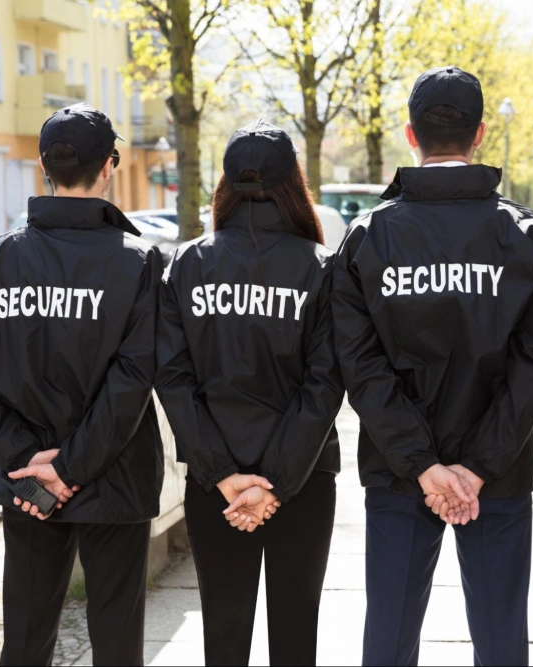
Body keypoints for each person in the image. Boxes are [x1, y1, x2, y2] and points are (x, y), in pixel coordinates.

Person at [333, 66, 533, 666]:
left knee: (389, 634)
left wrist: (425, 466)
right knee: (502, 636)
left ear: (411, 135)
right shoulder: (527, 235)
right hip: (499, 472)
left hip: (398, 470)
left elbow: (361, 368)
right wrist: (477, 467)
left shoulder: (366, 237)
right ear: (480, 133)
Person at [0, 104, 164, 666]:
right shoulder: (138, 263)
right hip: (112, 477)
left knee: (25, 633)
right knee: (117, 641)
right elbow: (133, 378)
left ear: (44, 166)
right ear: (109, 166)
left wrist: (28, 460)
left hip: (27, 483)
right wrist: (69, 467)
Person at [156, 120, 344, 666]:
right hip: (303, 480)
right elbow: (326, 383)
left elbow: (172, 378)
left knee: (224, 633)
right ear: (295, 185)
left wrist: (224, 476)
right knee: (296, 634)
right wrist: (277, 484)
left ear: (225, 185)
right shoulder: (321, 268)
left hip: (218, 485)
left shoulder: (188, 264)